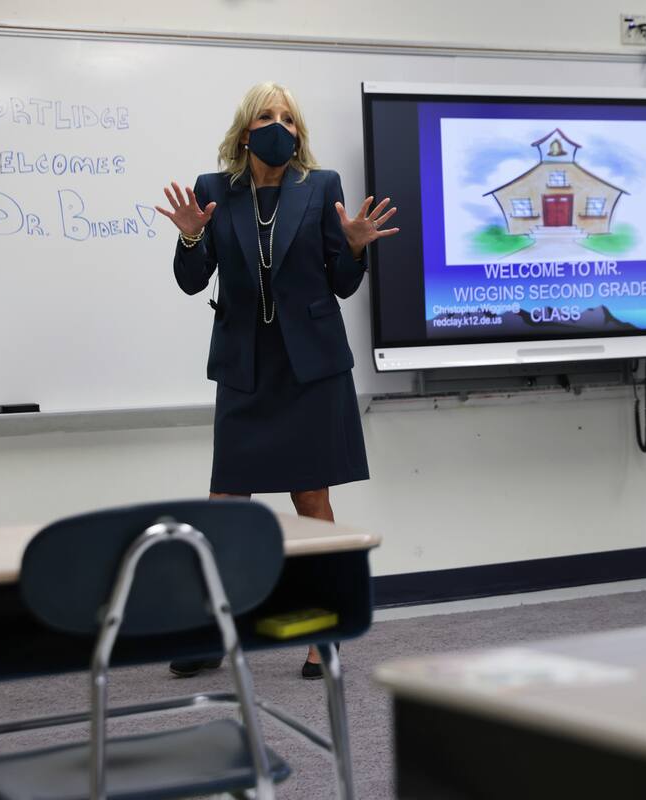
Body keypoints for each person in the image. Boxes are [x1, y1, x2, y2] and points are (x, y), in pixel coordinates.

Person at [156, 82, 398, 676]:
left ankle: (326, 631)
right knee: (225, 502)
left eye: (288, 118)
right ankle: (211, 631)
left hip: (310, 366)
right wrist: (190, 236)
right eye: (267, 116)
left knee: (310, 494)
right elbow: (193, 280)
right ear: (246, 131)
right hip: (246, 368)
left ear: (299, 132)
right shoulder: (214, 191)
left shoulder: (321, 188)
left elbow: (341, 283)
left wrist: (356, 248)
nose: (279, 126)